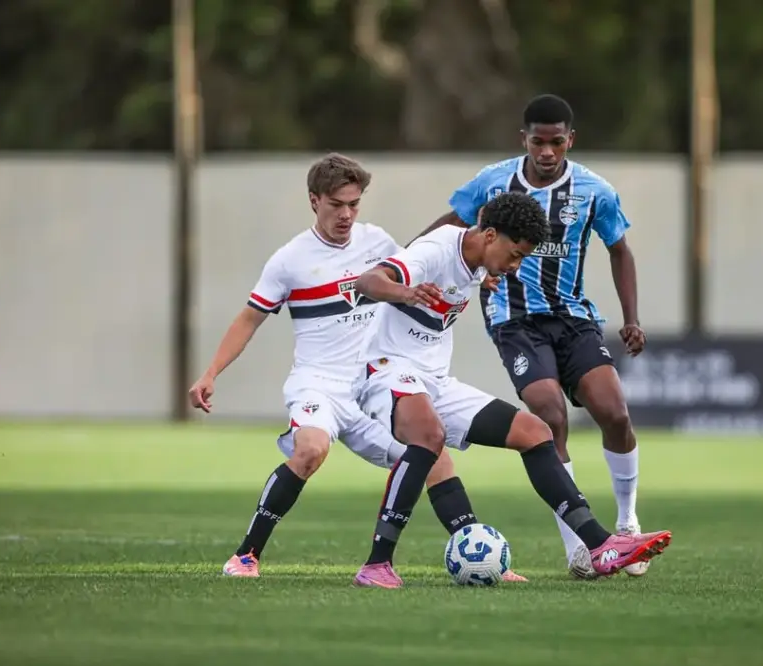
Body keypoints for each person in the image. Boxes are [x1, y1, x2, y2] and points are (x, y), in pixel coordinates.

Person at [188, 153, 525, 581]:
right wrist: (210, 373)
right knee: (310, 449)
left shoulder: (378, 243)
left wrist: (480, 274)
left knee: (433, 456)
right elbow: (249, 318)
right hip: (319, 384)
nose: (346, 214)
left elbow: (424, 264)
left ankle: (483, 557)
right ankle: (246, 555)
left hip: (372, 380)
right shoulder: (290, 260)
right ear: (314, 201)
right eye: (336, 204)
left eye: (354, 204)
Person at [349, 191, 671, 589]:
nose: (517, 265)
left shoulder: (476, 259)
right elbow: (368, 281)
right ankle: (376, 564)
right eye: (515, 254)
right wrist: (405, 292)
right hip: (383, 370)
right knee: (428, 436)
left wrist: (487, 274)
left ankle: (600, 546)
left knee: (536, 433)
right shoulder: (433, 250)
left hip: (432, 380)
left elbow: (473, 271)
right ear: (489, 234)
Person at [420, 94, 653, 579]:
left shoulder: (594, 191)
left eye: (557, 142)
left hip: (573, 319)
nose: (547, 152)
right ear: (522, 139)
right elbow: (452, 226)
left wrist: (631, 317)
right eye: (538, 141)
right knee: (549, 416)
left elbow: (620, 250)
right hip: (514, 320)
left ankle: (627, 522)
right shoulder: (492, 181)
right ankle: (580, 548)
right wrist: (407, 261)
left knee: (614, 411)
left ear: (571, 140)